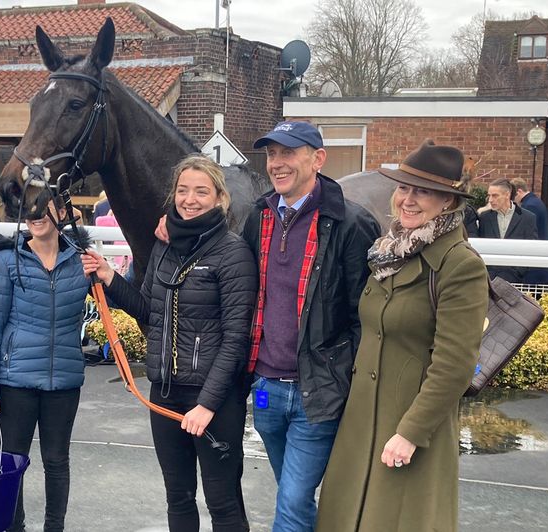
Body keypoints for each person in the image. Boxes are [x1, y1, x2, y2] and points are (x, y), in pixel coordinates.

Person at [315, 140, 488, 532]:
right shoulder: (387, 252)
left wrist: (411, 433)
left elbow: (455, 365)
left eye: (423, 191)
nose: (408, 200)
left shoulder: (459, 265)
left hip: (410, 427)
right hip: (360, 421)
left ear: (447, 202)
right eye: (404, 188)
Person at [83, 155, 257, 531]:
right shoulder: (164, 247)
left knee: (223, 503)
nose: (189, 199)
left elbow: (235, 340)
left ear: (219, 198)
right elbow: (149, 310)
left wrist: (207, 405)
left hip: (213, 401)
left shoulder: (233, 253)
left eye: (201, 191)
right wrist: (109, 276)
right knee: (177, 498)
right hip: (164, 393)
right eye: (182, 190)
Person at [239, 122, 380, 531]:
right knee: (292, 496)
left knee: (293, 500)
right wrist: (171, 230)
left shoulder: (350, 223)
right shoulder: (259, 217)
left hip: (317, 392)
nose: (277, 163)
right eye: (271, 154)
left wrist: (345, 377)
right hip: (265, 389)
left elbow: (364, 315)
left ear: (318, 159)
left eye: (289, 153)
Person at [0, 189, 91, 532]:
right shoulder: (4, 261)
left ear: (61, 209)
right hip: (15, 381)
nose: (36, 214)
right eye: (28, 208)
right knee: (12, 462)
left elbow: (120, 294)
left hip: (64, 380)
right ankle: (14, 527)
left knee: (57, 461)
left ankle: (55, 527)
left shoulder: (81, 258)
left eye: (44, 206)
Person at [477, 178, 538, 283]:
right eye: (489, 195)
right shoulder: (484, 217)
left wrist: (518, 272)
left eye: (495, 195)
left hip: (515, 279)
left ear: (507, 194)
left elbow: (531, 248)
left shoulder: (528, 218)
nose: (490, 200)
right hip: (487, 278)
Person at [510, 177, 548, 284]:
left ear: (518, 192)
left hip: (535, 259)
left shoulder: (529, 206)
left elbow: (524, 230)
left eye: (512, 195)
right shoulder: (535, 202)